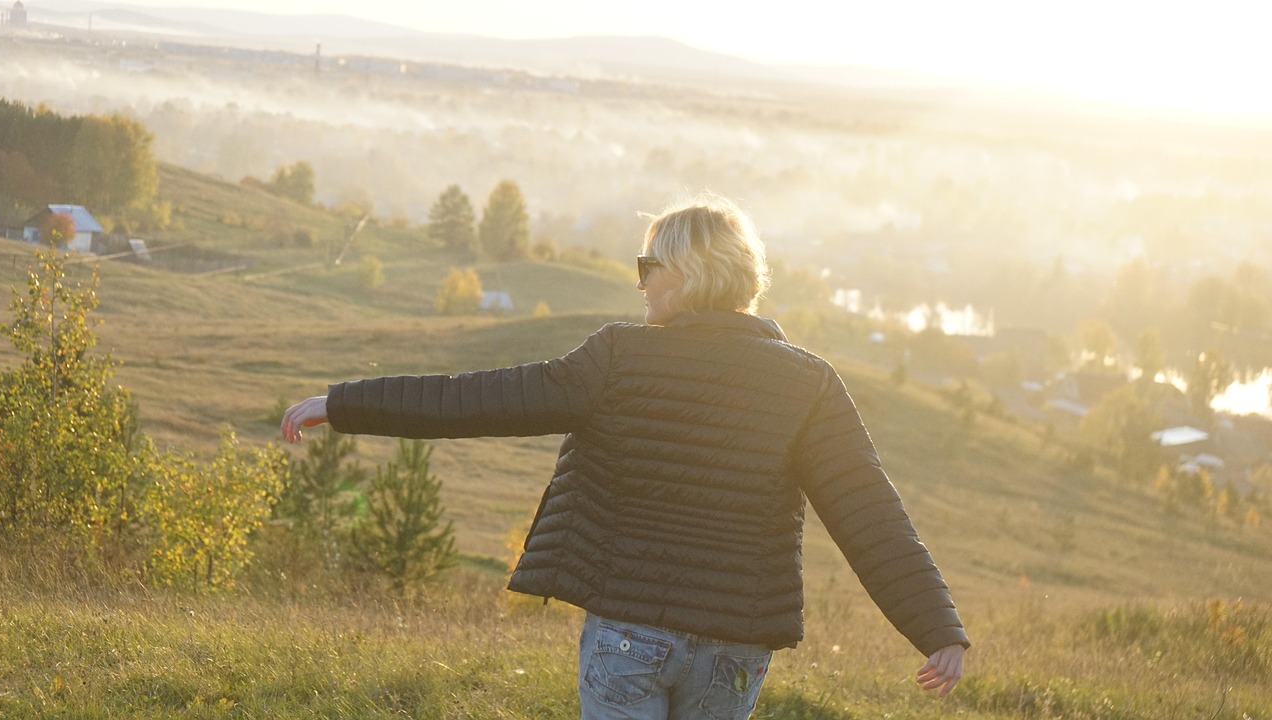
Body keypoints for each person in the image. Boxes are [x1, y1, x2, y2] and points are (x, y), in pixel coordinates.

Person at [282, 194, 969, 719]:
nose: (640, 284)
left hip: (630, 638)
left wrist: (342, 403)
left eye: (649, 268)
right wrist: (937, 629)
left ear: (688, 275)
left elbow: (477, 400)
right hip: (735, 648)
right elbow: (871, 514)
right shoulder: (808, 380)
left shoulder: (617, 359)